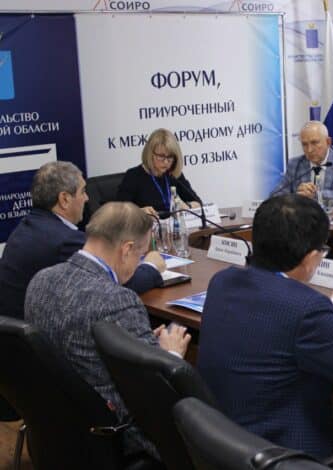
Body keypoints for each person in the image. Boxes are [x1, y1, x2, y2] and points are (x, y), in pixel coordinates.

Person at [197, 194, 333, 464]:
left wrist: (317, 306)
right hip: (286, 456)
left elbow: (275, 313)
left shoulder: (222, 281)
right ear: (310, 258)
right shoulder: (305, 309)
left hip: (227, 446)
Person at [24, 202, 191, 460]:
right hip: (116, 435)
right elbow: (153, 392)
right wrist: (170, 355)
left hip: (55, 430)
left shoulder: (39, 280)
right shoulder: (118, 300)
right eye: (140, 255)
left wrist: (144, 345)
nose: (138, 263)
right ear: (126, 250)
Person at [0, 161, 164, 320]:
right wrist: (151, 266)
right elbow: (118, 286)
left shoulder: (29, 224)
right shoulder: (66, 241)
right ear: (64, 199)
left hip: (18, 328)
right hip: (44, 330)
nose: (86, 198)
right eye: (83, 191)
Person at [269, 121, 333, 204]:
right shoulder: (295, 164)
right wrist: (297, 196)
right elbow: (275, 195)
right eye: (304, 144)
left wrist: (318, 196)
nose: (309, 150)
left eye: (314, 143)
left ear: (328, 142)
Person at [116, 128, 201, 217]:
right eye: (161, 156)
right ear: (150, 154)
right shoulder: (133, 176)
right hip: (148, 225)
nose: (166, 162)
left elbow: (198, 203)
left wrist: (187, 206)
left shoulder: (173, 175)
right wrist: (140, 212)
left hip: (173, 224)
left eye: (170, 157)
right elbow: (119, 213)